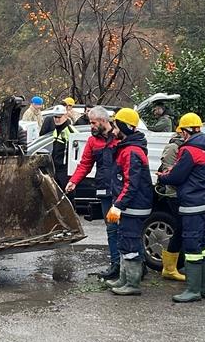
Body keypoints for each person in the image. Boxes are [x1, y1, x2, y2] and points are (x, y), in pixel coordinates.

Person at [158, 113, 205, 303]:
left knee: (192, 247)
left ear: (185, 131)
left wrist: (163, 177)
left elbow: (177, 177)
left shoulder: (189, 150)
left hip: (193, 205)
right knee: (203, 246)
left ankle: (193, 291)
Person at [65, 106, 120, 282]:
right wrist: (74, 181)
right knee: (112, 229)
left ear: (104, 121)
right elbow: (85, 164)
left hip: (120, 191)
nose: (91, 126)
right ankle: (116, 265)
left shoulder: (119, 137)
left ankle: (133, 265)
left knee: (127, 229)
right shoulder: (92, 141)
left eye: (93, 122)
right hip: (105, 190)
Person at [105, 108, 154, 296]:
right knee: (125, 240)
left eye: (116, 125)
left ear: (124, 126)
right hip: (132, 205)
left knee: (130, 242)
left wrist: (118, 205)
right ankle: (124, 279)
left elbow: (131, 184)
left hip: (134, 206)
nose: (113, 129)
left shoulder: (131, 151)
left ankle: (132, 284)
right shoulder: (129, 147)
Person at [156, 127, 188, 282]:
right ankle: (169, 268)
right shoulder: (173, 147)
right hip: (173, 194)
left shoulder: (185, 145)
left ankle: (171, 267)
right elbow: (170, 172)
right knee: (180, 228)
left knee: (182, 228)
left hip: (181, 193)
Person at [43, 106, 76, 190]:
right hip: (56, 170)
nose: (57, 119)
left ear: (65, 116)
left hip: (65, 172)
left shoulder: (70, 131)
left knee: (68, 198)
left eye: (59, 117)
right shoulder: (56, 130)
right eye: (55, 117)